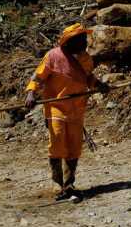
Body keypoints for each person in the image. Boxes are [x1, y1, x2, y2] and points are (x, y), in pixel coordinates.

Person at [24, 23, 109, 201]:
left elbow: (88, 77)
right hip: (56, 107)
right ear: (70, 42)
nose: (85, 41)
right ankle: (57, 183)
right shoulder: (53, 56)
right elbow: (38, 77)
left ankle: (69, 184)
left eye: (84, 38)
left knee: (74, 147)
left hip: (77, 108)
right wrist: (31, 93)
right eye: (81, 39)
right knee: (57, 142)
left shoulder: (85, 58)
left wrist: (99, 85)